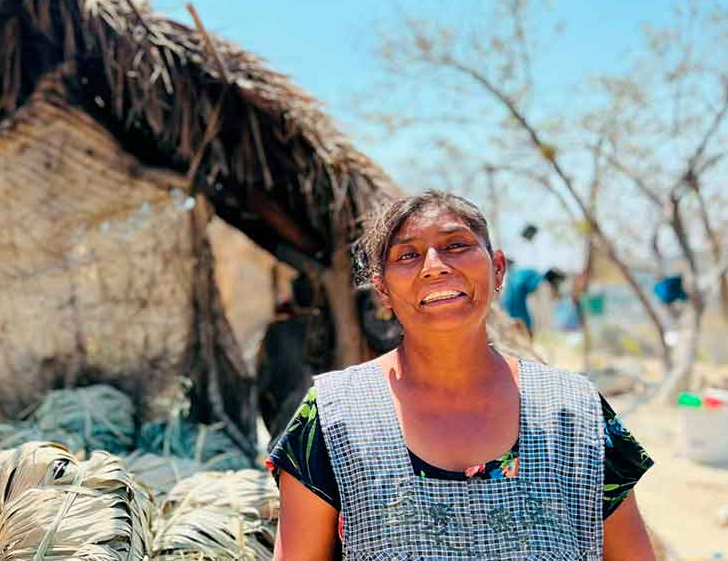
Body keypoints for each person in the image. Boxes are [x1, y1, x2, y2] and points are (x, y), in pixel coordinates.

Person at [268, 191, 654, 560]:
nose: (434, 265)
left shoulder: (576, 413)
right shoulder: (335, 417)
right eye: (408, 254)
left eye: (456, 246)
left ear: (498, 268)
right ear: (382, 290)